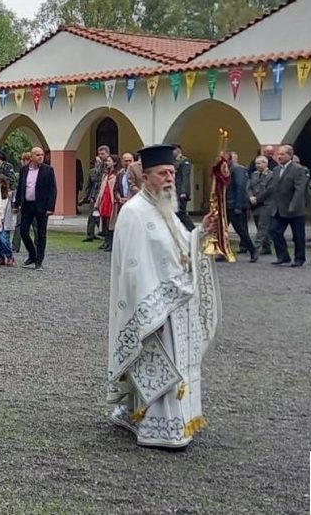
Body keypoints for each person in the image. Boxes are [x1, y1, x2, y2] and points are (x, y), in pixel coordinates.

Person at [106, 143, 221, 451]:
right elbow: (132, 269)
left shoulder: (166, 207)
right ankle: (157, 427)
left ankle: (164, 418)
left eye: (171, 172)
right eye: (162, 173)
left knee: (177, 367)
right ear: (145, 177)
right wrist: (147, 315)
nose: (170, 178)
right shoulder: (133, 213)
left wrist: (200, 233)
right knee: (159, 366)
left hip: (177, 307)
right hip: (155, 308)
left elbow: (182, 248)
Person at [16, 147, 57, 270]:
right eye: (37, 155)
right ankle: (32, 254)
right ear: (32, 157)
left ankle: (39, 260)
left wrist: (50, 207)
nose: (40, 157)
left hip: (42, 206)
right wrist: (16, 203)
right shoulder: (24, 170)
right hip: (27, 205)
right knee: (23, 231)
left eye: (42, 155)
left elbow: (53, 190)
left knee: (41, 234)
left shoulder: (48, 170)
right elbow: (20, 187)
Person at [268, 144, 309, 267]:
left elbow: (299, 190)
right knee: (274, 230)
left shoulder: (299, 169)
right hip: (278, 208)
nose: (279, 156)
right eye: (278, 154)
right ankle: (283, 256)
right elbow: (273, 188)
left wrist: (293, 205)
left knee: (298, 235)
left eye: (282, 154)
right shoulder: (276, 170)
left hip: (294, 208)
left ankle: (299, 258)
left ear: (290, 155)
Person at [246, 155, 276, 262]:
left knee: (262, 226)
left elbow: (269, 190)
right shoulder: (254, 175)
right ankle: (267, 247)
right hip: (255, 204)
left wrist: (257, 199)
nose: (257, 166)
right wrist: (250, 197)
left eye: (259, 163)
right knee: (259, 226)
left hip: (266, 204)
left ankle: (255, 250)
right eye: (256, 164)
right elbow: (249, 187)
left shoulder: (271, 175)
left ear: (265, 163)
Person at [226, 152, 255, 256]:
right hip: (226, 204)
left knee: (240, 229)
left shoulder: (237, 169)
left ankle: (252, 249)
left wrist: (238, 206)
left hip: (234, 204)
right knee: (221, 229)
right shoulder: (225, 170)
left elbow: (240, 187)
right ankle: (223, 250)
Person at [82, 146, 111, 242]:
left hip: (104, 194)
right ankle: (90, 234)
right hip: (95, 195)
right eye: (99, 154)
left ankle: (106, 236)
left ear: (107, 153)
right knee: (92, 215)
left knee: (102, 216)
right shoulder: (99, 167)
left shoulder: (109, 165)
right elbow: (94, 183)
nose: (100, 156)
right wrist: (90, 196)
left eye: (102, 154)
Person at [94, 156, 118, 252]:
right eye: (107, 161)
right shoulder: (106, 174)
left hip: (111, 200)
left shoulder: (116, 175)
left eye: (109, 161)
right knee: (104, 222)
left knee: (111, 223)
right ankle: (106, 242)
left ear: (114, 163)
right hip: (104, 199)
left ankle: (111, 243)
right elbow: (101, 189)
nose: (107, 162)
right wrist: (97, 202)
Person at [0, 178, 15, 266]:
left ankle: (9, 256)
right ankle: (1, 257)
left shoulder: (9, 196)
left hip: (5, 221)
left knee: (4, 240)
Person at [173, 144, 194, 230]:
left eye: (173, 150)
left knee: (181, 212)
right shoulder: (173, 161)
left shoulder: (184, 161)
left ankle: (192, 229)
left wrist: (184, 192)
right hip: (175, 191)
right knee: (177, 213)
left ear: (178, 150)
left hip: (181, 192)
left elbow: (185, 177)